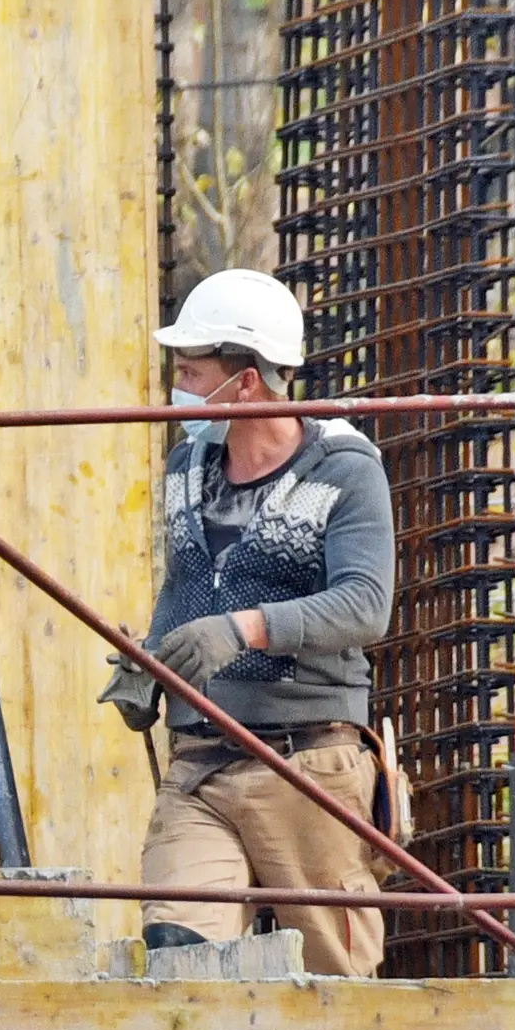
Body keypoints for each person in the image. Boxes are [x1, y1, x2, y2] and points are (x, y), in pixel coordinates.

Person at [106, 267, 396, 977]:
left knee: (337, 985)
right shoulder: (188, 463)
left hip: (306, 768)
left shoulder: (345, 470)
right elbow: (189, 587)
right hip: (202, 767)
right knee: (181, 957)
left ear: (248, 381)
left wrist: (244, 629)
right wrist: (151, 661)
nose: (177, 387)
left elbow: (365, 603)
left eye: (191, 370)